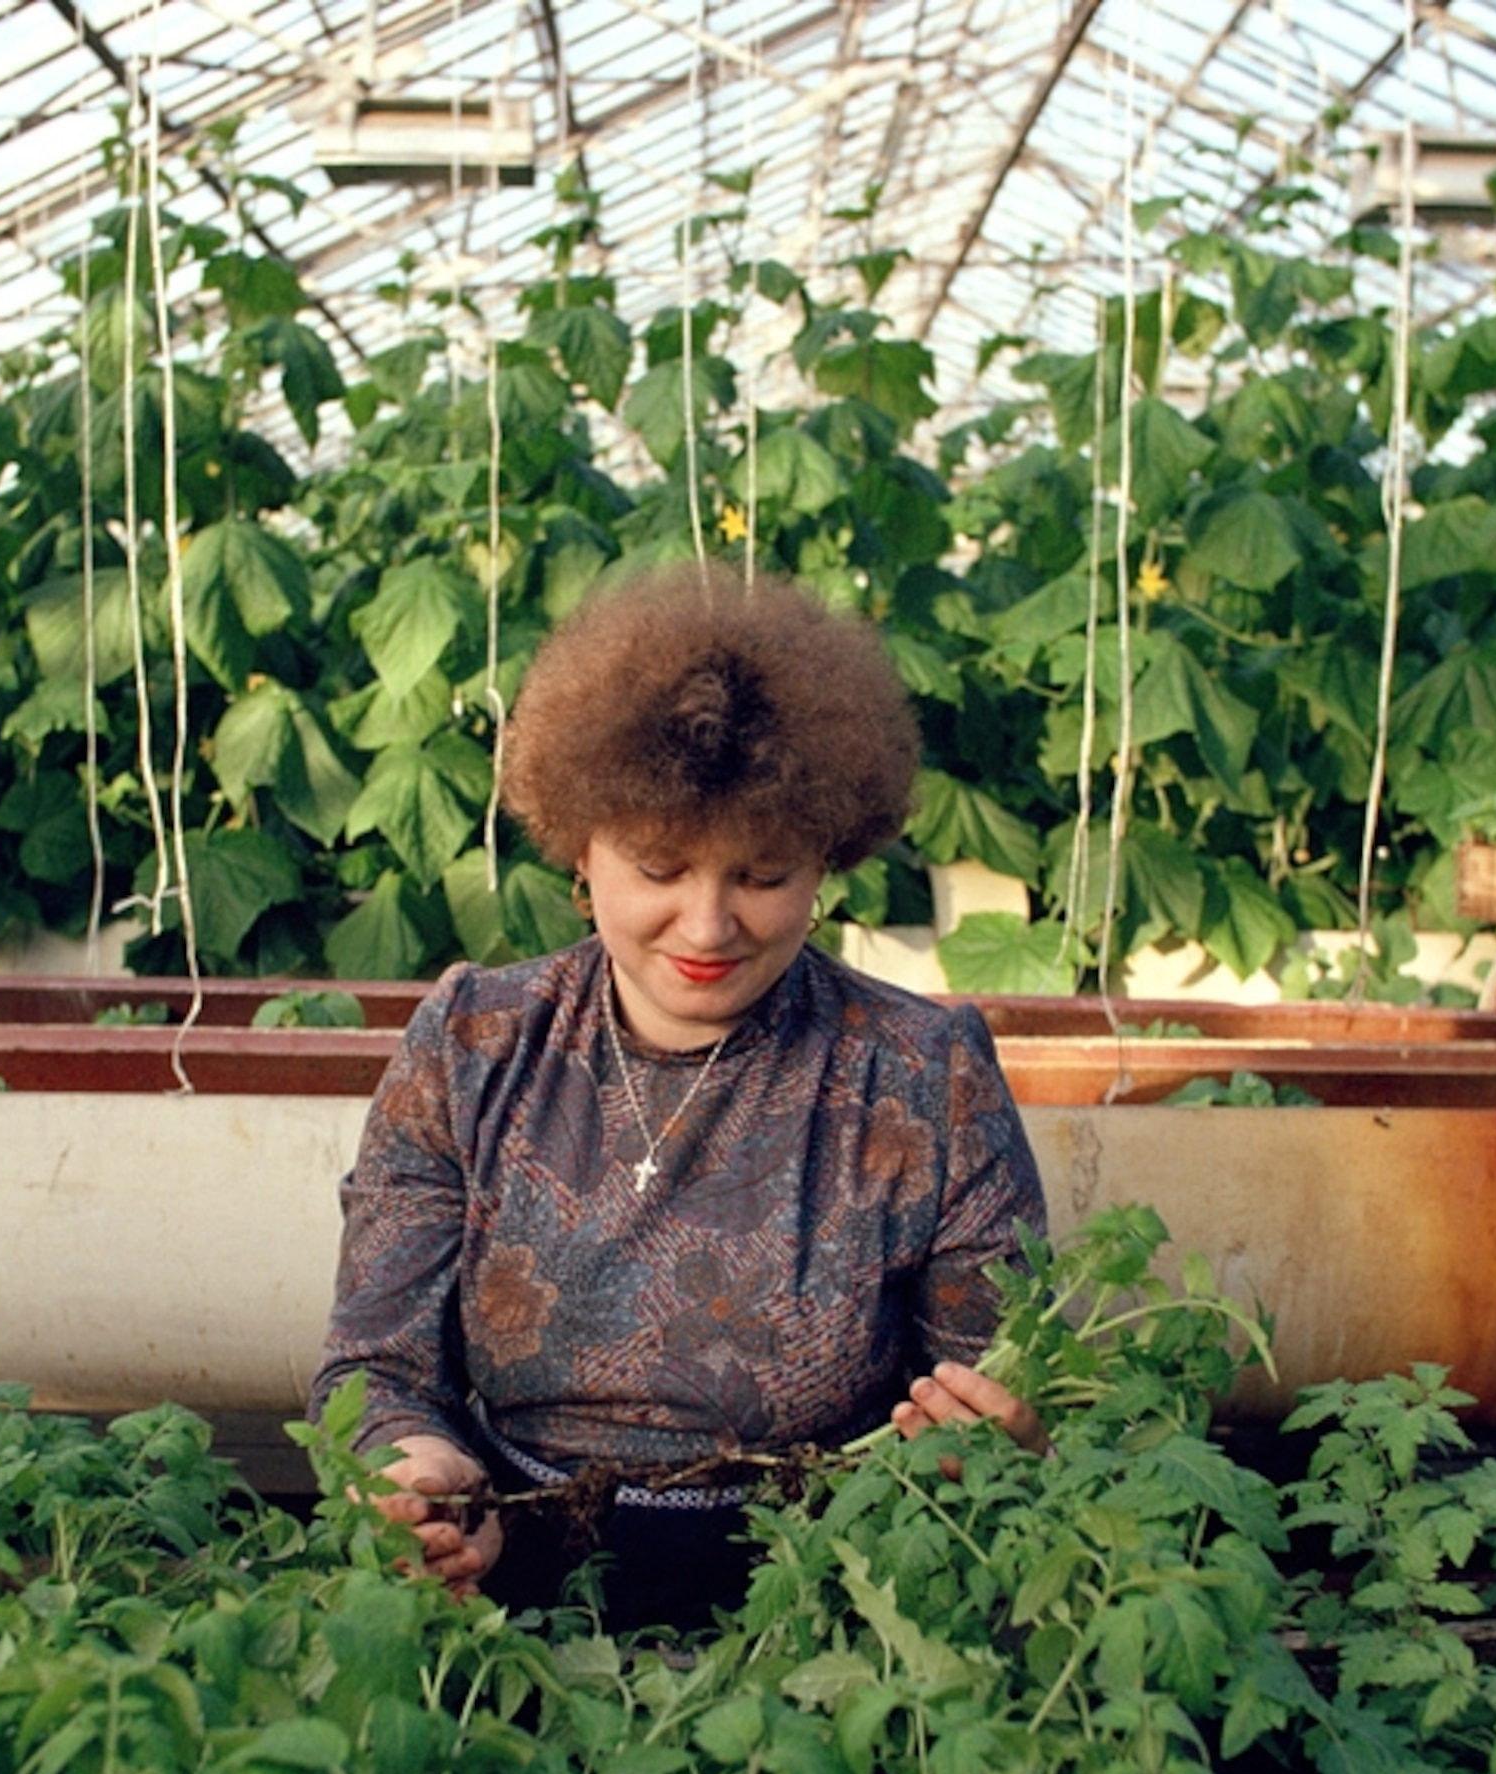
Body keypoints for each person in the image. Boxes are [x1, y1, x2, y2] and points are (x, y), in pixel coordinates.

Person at [307, 564, 1050, 1630]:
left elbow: (995, 1381)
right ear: (581, 850)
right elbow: (378, 1366)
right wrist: (420, 1483)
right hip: (504, 1596)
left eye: (761, 874)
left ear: (824, 861)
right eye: (659, 866)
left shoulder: (923, 1071)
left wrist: (1004, 1435)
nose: (708, 927)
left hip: (825, 1608)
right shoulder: (474, 1043)